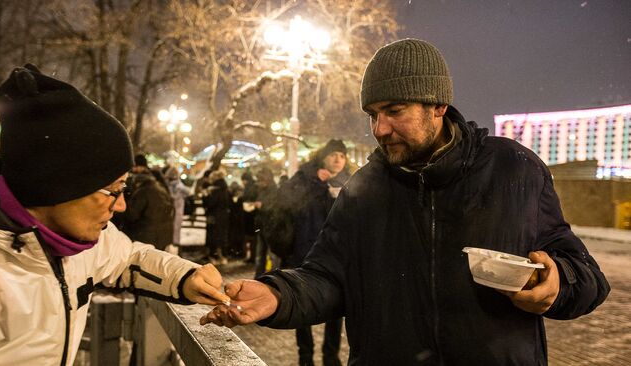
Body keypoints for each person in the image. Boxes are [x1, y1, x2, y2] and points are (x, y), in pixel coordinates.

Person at [200, 39, 611, 365]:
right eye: (372, 115)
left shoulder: (514, 169)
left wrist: (557, 281)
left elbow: (587, 275)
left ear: (438, 106)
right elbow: (328, 277)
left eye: (394, 111)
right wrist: (277, 295)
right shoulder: (365, 190)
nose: (379, 129)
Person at [0, 64, 229, 365]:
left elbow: (127, 259)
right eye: (113, 190)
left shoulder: (79, 239)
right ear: (57, 187)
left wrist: (185, 277)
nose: (121, 205)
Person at [273, 140, 350, 366]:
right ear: (324, 156)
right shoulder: (306, 176)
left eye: (342, 156)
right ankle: (305, 356)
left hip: (338, 257)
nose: (338, 159)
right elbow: (287, 200)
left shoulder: (349, 181)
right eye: (334, 154)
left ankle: (331, 356)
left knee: (337, 309)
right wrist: (317, 184)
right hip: (304, 253)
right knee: (303, 307)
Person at [121, 154, 174, 251]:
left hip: (147, 236)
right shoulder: (159, 185)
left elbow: (131, 214)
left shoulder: (144, 190)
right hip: (162, 235)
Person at [165, 166, 194, 246]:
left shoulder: (165, 185)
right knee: (177, 228)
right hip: (178, 209)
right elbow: (190, 193)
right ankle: (175, 244)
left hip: (168, 209)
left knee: (169, 228)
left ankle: (169, 244)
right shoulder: (180, 186)